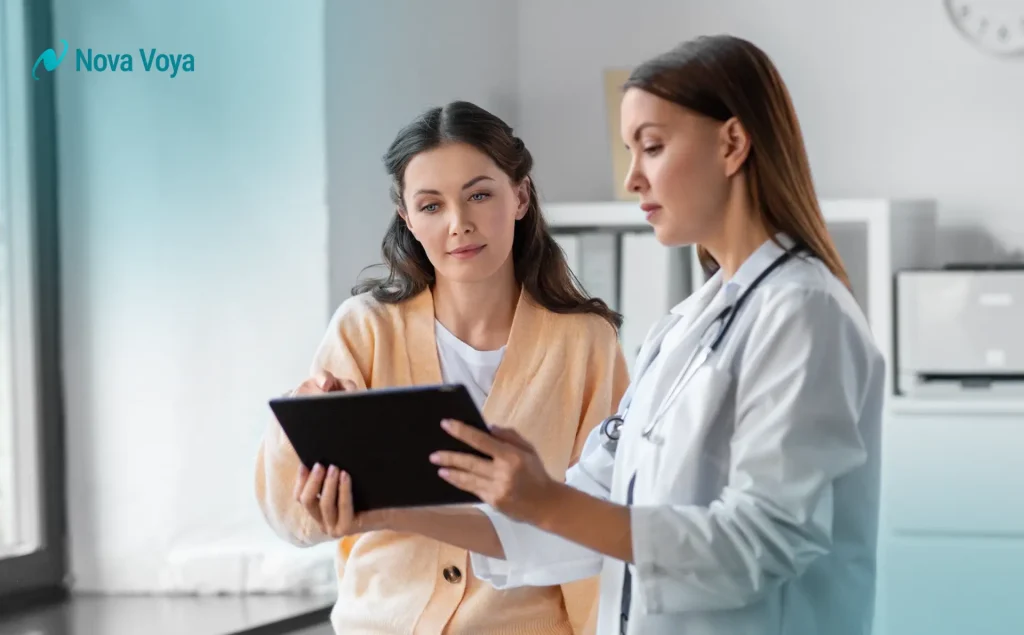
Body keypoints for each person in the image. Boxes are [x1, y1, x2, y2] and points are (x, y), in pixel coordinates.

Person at [318, 35, 886, 635]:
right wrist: (386, 510)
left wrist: (546, 500)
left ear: (733, 142)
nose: (633, 179)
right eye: (630, 152)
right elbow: (583, 517)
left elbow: (761, 544)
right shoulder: (681, 329)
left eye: (653, 147)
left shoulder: (802, 313)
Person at [254, 100, 630, 635]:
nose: (459, 224)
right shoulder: (364, 330)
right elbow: (292, 520)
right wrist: (301, 434)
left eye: (479, 195)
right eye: (431, 206)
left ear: (520, 195)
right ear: (406, 216)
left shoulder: (586, 344)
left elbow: (601, 526)